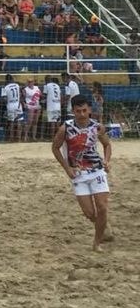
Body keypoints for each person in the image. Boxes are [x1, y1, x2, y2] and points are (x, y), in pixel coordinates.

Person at [51, 94, 113, 252]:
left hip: (97, 170)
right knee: (89, 213)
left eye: (84, 110)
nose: (82, 114)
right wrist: (67, 168)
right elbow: (55, 148)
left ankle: (96, 243)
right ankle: (102, 224)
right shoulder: (66, 128)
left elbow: (107, 145)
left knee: (102, 207)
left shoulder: (97, 127)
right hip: (78, 174)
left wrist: (106, 160)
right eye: (78, 111)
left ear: (90, 109)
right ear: (73, 111)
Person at [1, 74, 23, 143]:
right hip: (18, 105)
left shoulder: (5, 87)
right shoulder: (17, 85)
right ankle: (19, 138)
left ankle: (11, 138)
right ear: (12, 79)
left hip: (10, 105)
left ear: (6, 80)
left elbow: (4, 98)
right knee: (19, 122)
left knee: (11, 122)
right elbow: (20, 94)